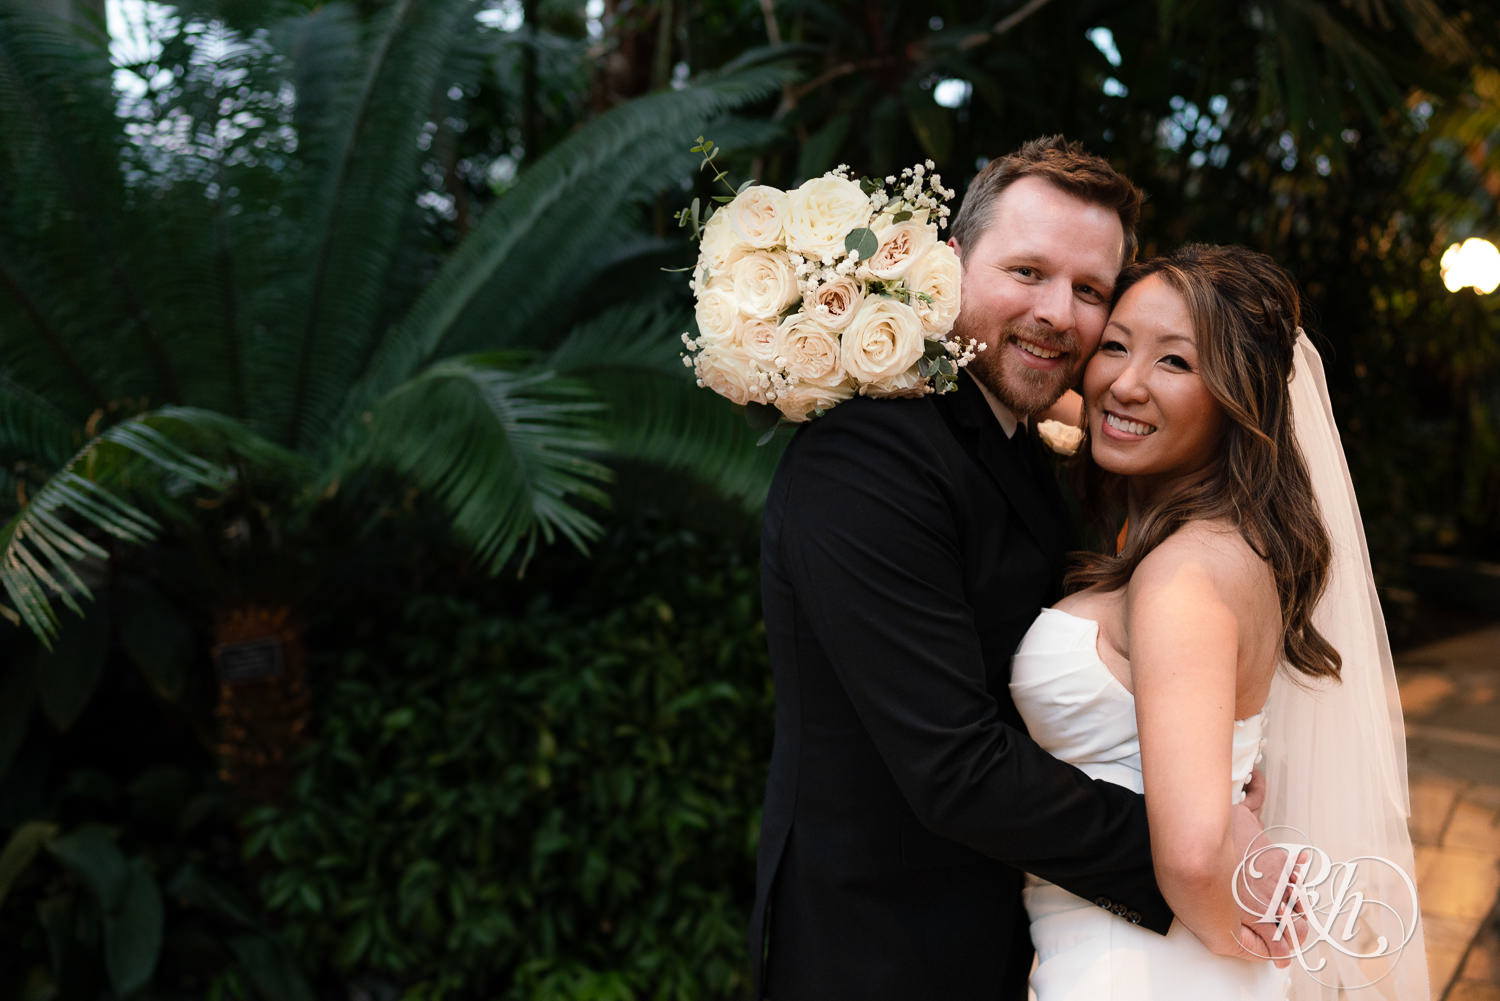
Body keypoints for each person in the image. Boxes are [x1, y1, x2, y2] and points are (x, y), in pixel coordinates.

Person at [749, 138, 1284, 1001]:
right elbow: (956, 766)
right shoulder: (869, 457)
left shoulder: (1018, 443)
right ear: (950, 268)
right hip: (885, 951)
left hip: (1016, 938)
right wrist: (1196, 847)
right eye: (1027, 272)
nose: (1058, 314)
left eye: (1089, 291)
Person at [1010, 243, 1427, 1000]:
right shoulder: (1233, 539)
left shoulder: (1181, 578)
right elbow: (1099, 403)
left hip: (1139, 967)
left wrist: (1230, 943)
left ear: (1239, 396)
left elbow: (1197, 854)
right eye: (1114, 346)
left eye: (1175, 362)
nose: (1126, 382)